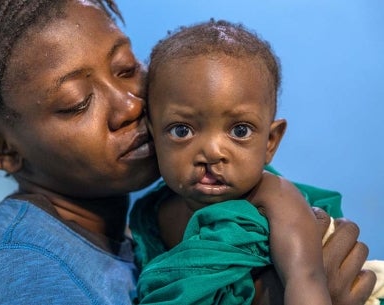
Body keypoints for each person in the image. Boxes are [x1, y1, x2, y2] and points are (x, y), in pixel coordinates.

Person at [0, 0, 375, 304]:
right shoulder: (16, 276)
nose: (129, 105)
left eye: (127, 69)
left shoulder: (148, 225)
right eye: (77, 102)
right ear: (2, 149)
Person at [130, 19, 380, 305]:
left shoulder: (277, 200)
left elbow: (307, 278)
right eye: (181, 130)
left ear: (270, 142)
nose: (212, 152)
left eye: (239, 131)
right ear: (153, 135)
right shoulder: (150, 215)